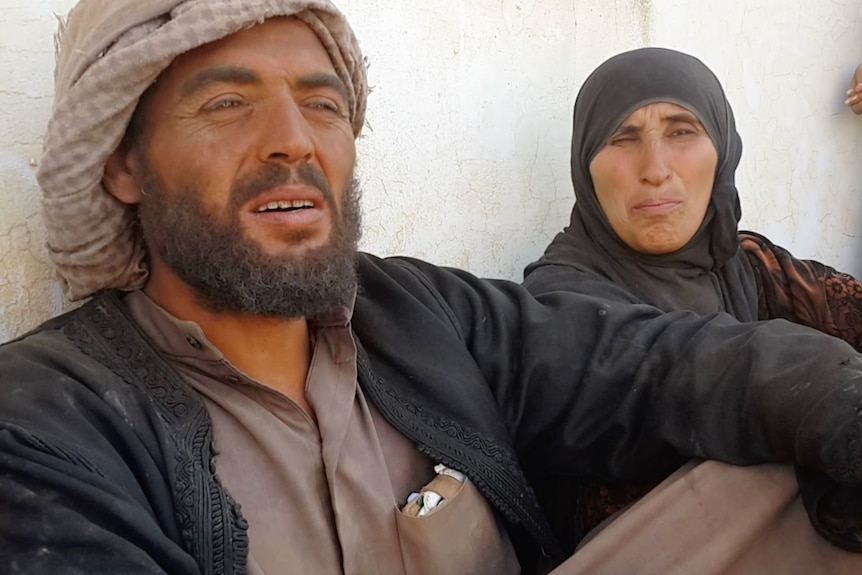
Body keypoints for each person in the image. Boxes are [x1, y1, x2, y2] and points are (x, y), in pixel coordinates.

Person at [3, 3, 862, 574]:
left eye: (324, 104)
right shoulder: (44, 423)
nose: (292, 141)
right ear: (122, 162)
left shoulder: (415, 315)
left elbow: (648, 360)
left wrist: (836, 402)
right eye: (227, 103)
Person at [523, 46, 862, 555]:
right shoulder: (558, 302)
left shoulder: (743, 264)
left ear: (722, 148)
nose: (656, 169)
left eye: (682, 131)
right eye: (622, 137)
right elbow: (674, 370)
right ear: (585, 164)